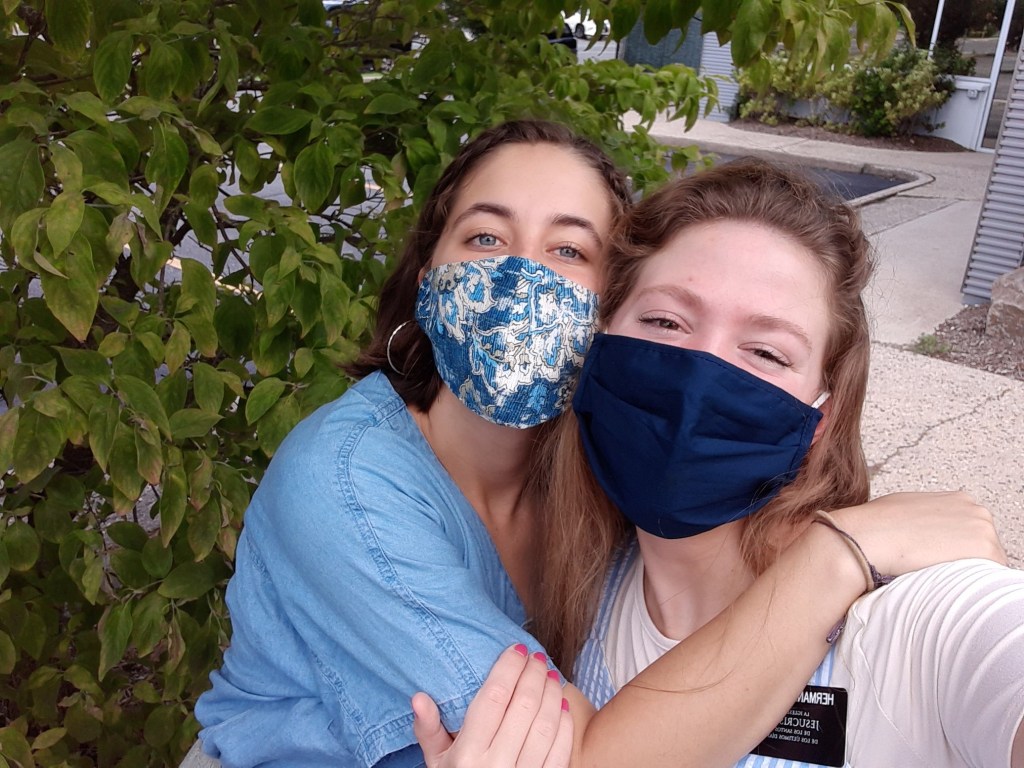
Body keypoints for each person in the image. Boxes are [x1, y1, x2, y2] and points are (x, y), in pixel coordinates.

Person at [187, 123, 1005, 768]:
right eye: (484, 237)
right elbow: (588, 756)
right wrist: (837, 556)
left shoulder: (603, 483)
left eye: (569, 250)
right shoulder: (346, 481)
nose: (520, 278)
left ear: (602, 312)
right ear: (426, 274)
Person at [419, 157, 1023, 768]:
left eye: (766, 352)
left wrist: (842, 555)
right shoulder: (589, 585)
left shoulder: (917, 622)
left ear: (823, 416)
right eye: (664, 321)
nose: (700, 375)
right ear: (596, 344)